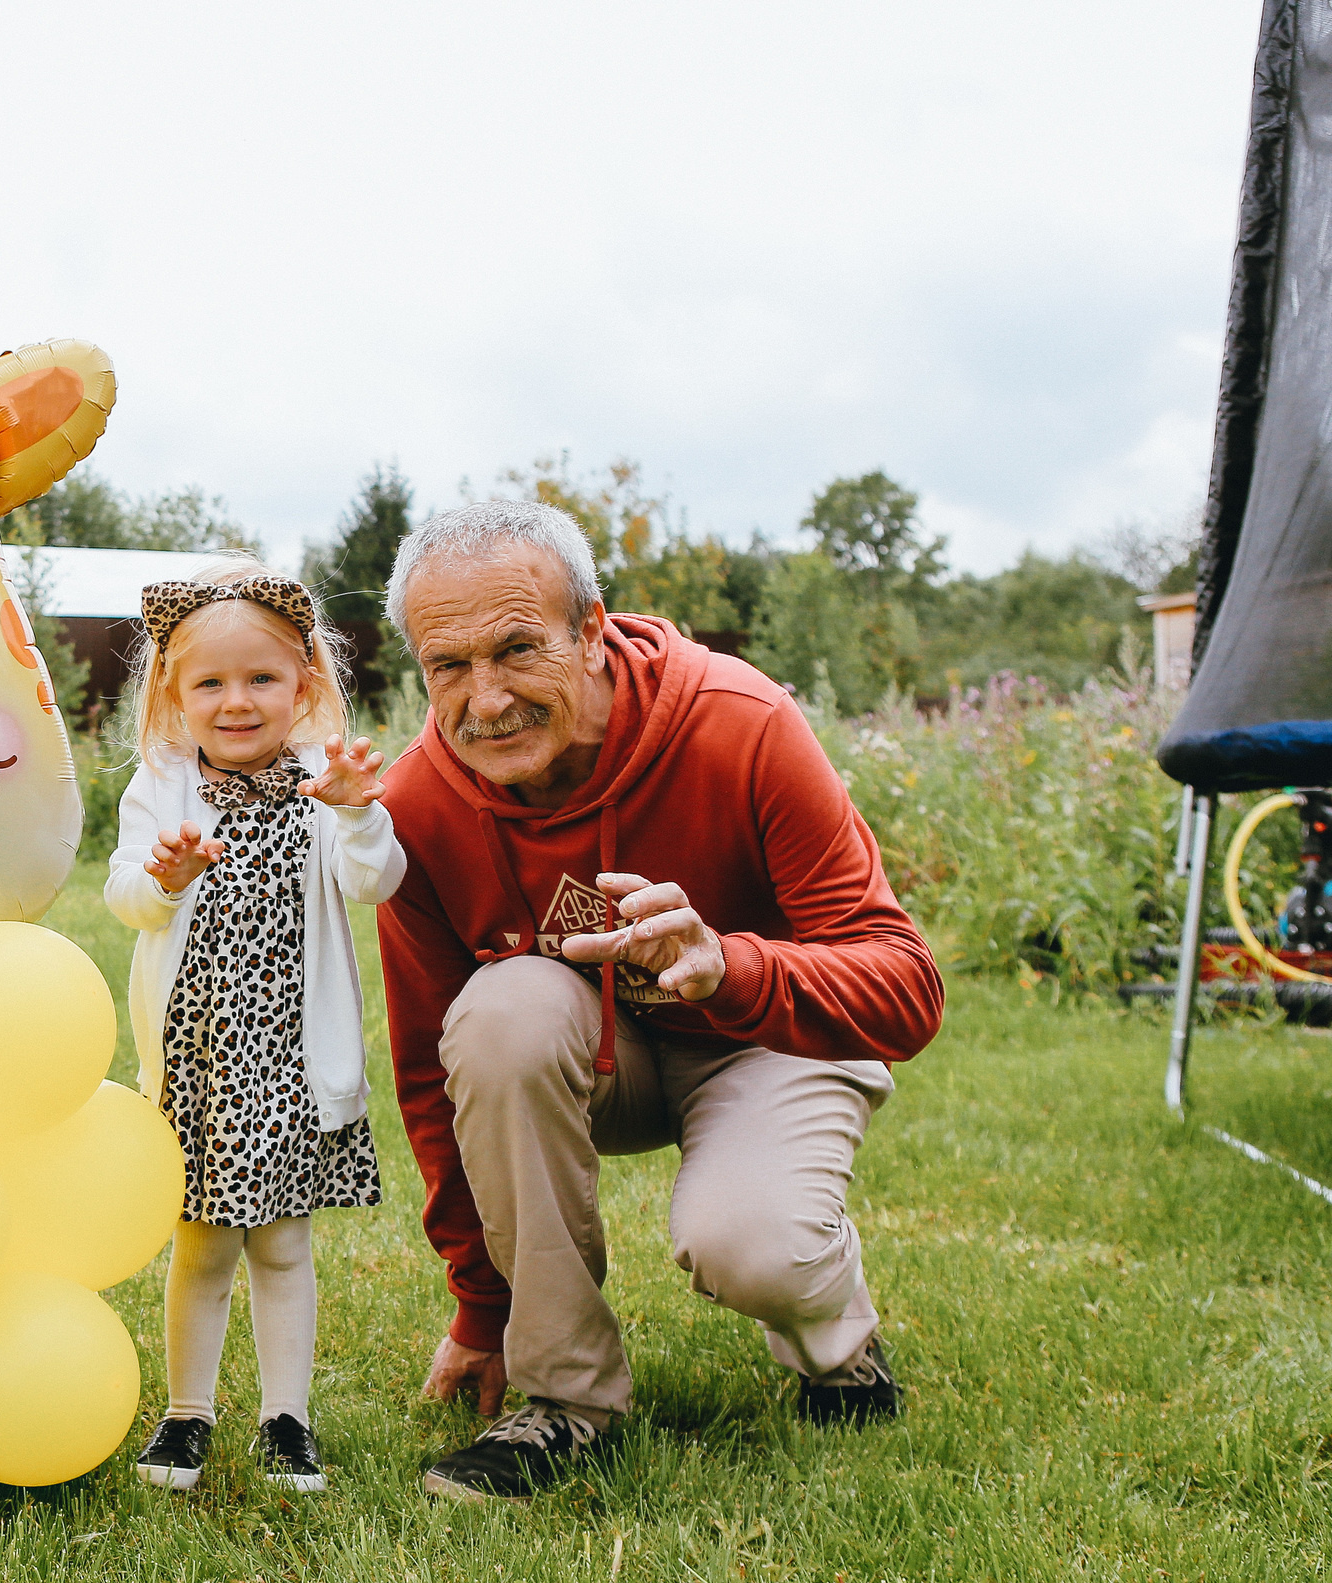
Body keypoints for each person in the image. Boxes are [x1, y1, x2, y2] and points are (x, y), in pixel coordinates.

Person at [375, 501, 944, 1503]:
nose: (486, 699)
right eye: (448, 667)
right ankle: (562, 1400)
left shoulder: (741, 723)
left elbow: (904, 988)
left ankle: (835, 1337)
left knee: (751, 1246)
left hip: (763, 1038)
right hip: (595, 1057)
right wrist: (479, 1305)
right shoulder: (416, 808)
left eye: (516, 649)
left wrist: (731, 966)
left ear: (592, 629)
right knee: (501, 1012)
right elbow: (429, 1076)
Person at [104, 558, 406, 1493]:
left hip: (288, 1052)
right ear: (174, 695)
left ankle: (287, 1420)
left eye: (262, 677)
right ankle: (187, 1414)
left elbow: (375, 882)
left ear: (305, 683)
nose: (237, 700)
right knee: (201, 1243)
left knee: (281, 1241)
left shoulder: (324, 782)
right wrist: (166, 875)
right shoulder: (163, 787)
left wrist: (359, 814)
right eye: (211, 683)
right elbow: (124, 898)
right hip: (201, 1055)